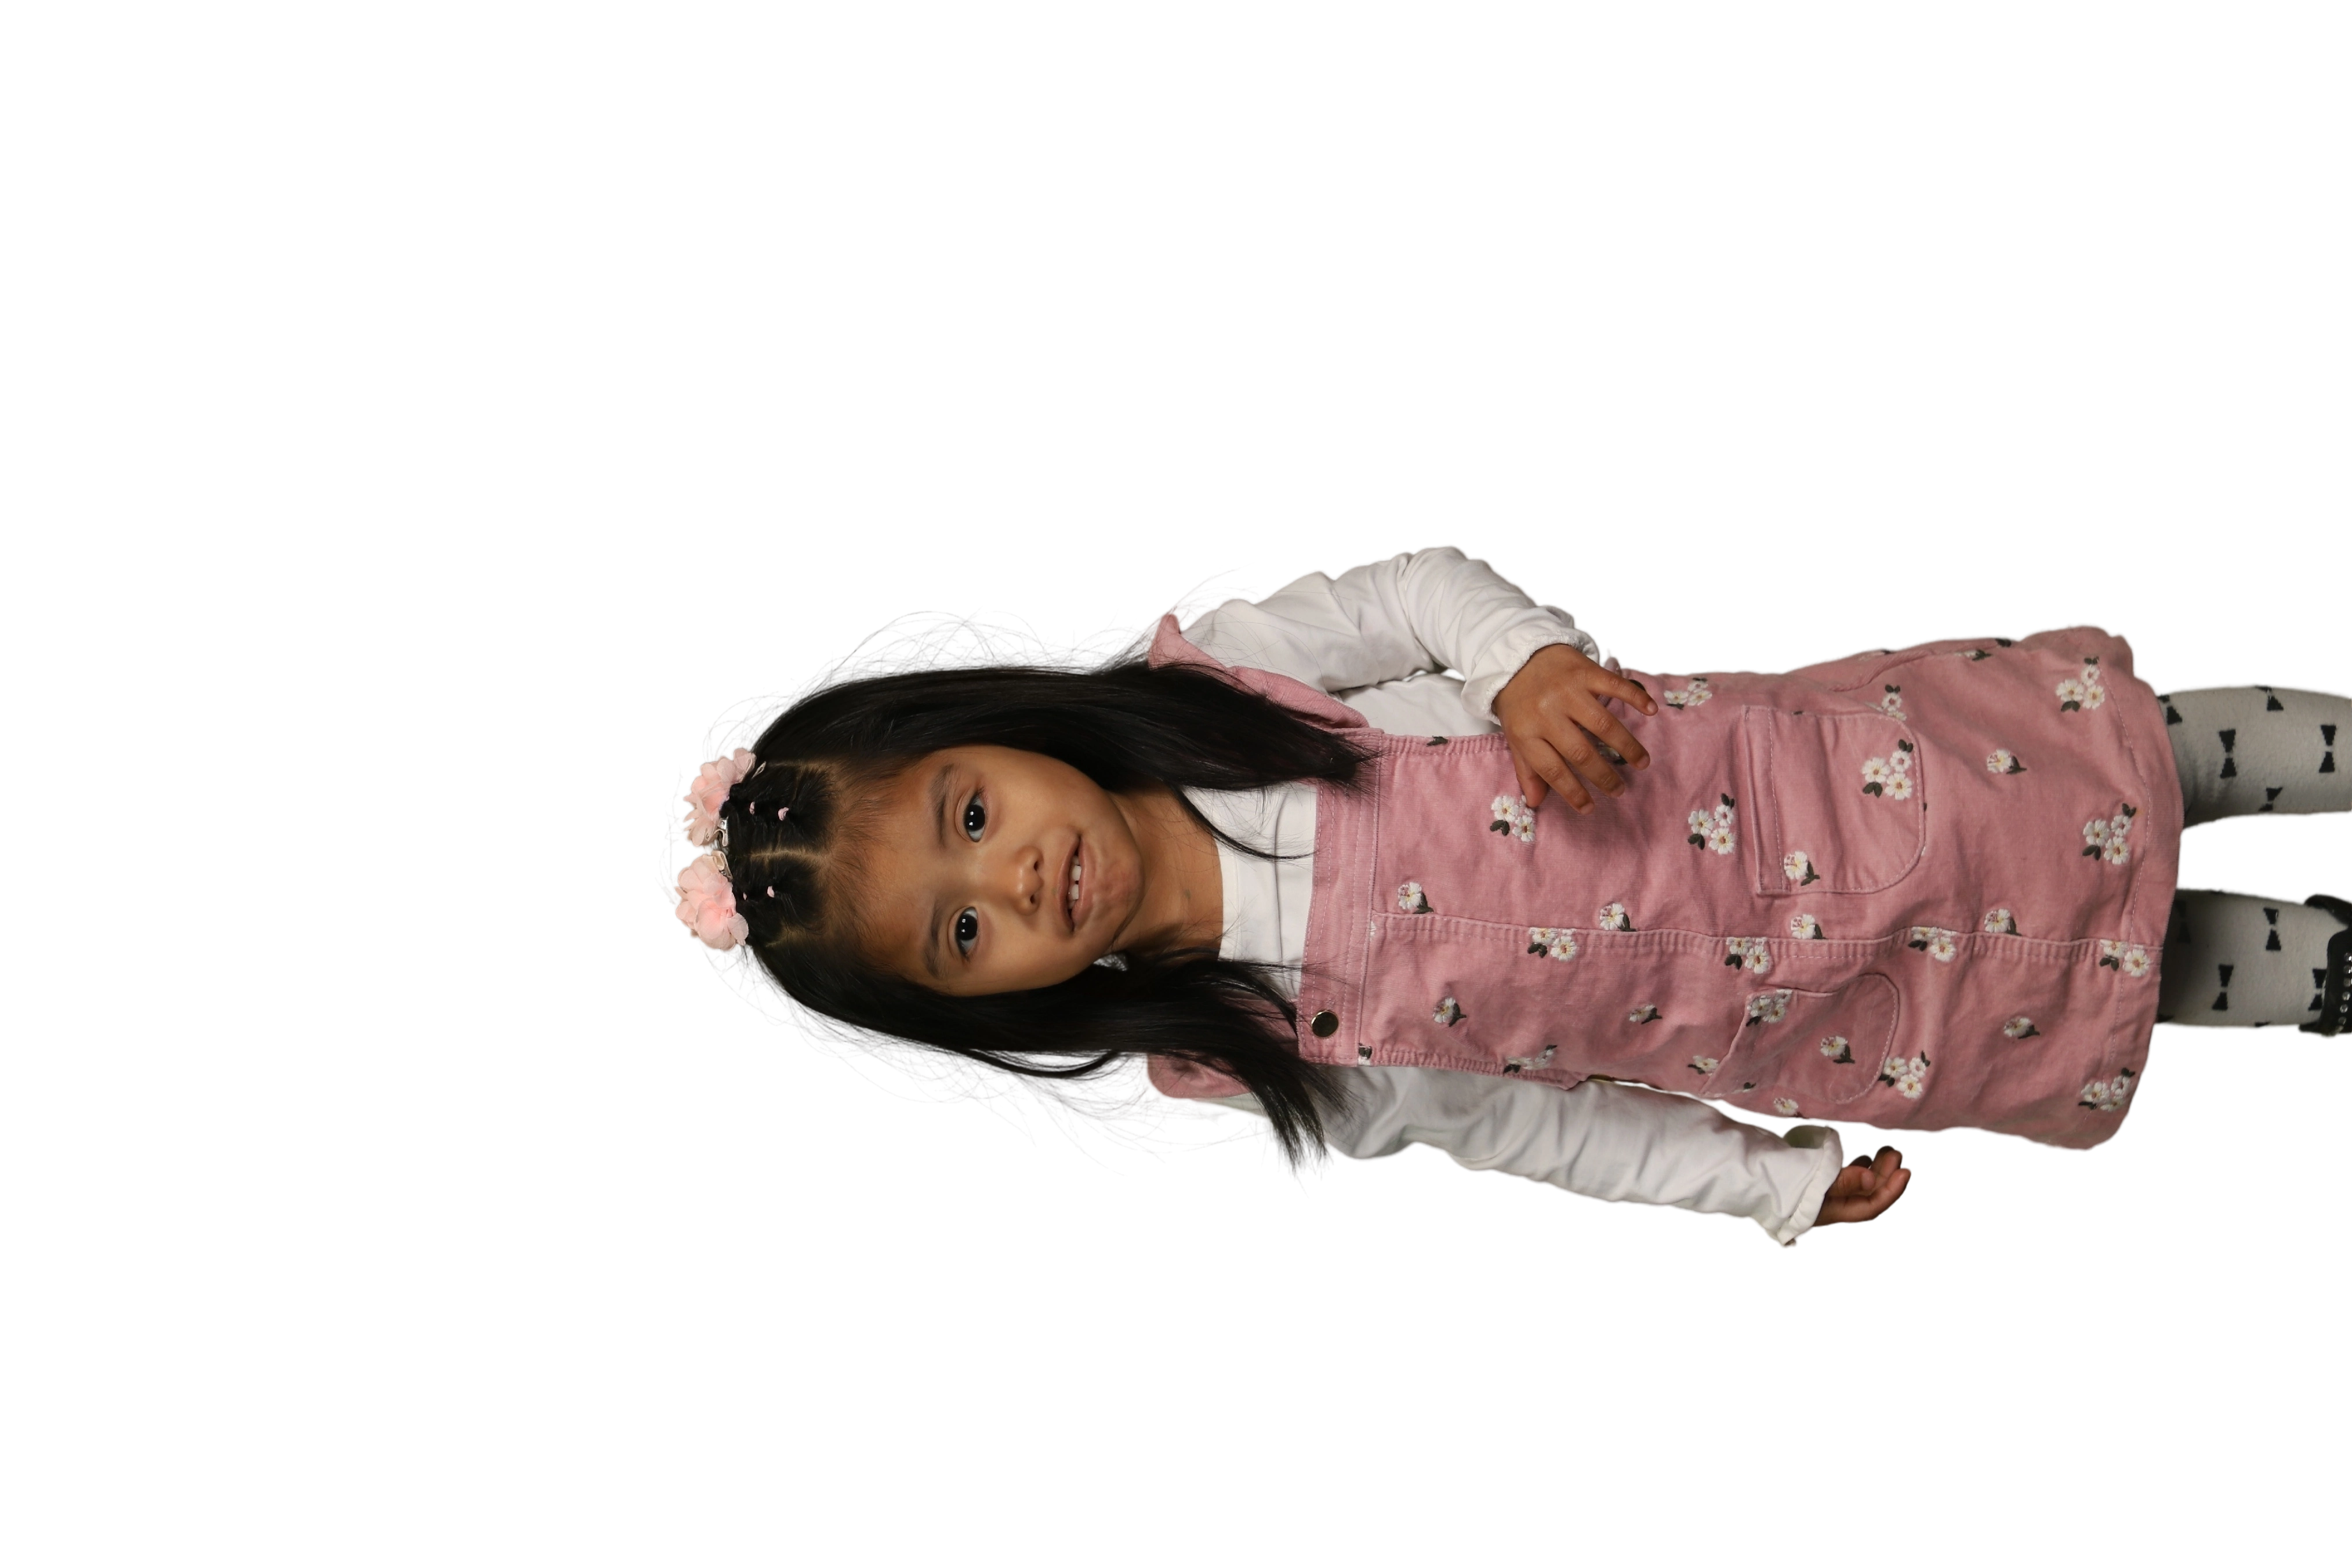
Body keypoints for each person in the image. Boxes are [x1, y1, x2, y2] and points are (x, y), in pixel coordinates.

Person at [657, 543, 2352, 1248]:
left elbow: (1417, 592)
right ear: (985, 1010)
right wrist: (1758, 1186)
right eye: (964, 931)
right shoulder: (1242, 1056)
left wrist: (1525, 664)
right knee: (2209, 972)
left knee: (2188, 755)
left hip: (1872, 790)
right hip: (1853, 1008)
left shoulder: (1229, 678)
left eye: (969, 813)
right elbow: (1532, 1128)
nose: (1016, 874)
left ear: (990, 730)